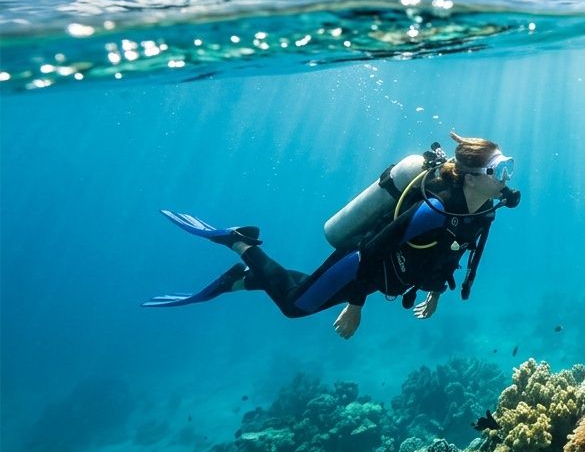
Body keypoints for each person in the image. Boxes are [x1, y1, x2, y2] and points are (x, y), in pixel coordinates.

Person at [143, 133, 520, 339]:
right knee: (295, 306)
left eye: (507, 167)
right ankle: (238, 241)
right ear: (471, 176)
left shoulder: (484, 210)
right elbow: (374, 249)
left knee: (306, 290)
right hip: (359, 264)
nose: (506, 178)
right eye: (499, 170)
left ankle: (244, 280)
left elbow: (455, 253)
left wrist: (435, 292)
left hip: (384, 276)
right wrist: (356, 306)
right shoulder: (434, 209)